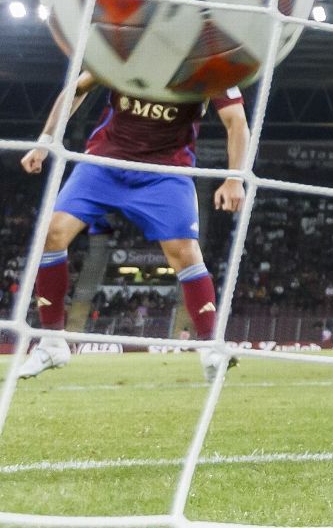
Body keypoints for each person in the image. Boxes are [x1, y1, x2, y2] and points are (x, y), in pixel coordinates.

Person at [18, 71, 248, 382]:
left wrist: (235, 178)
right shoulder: (125, 51)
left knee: (185, 253)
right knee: (52, 233)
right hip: (105, 163)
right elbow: (76, 88)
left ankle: (210, 347)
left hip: (165, 171)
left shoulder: (207, 65)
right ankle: (52, 342)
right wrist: (45, 142)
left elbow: (236, 121)